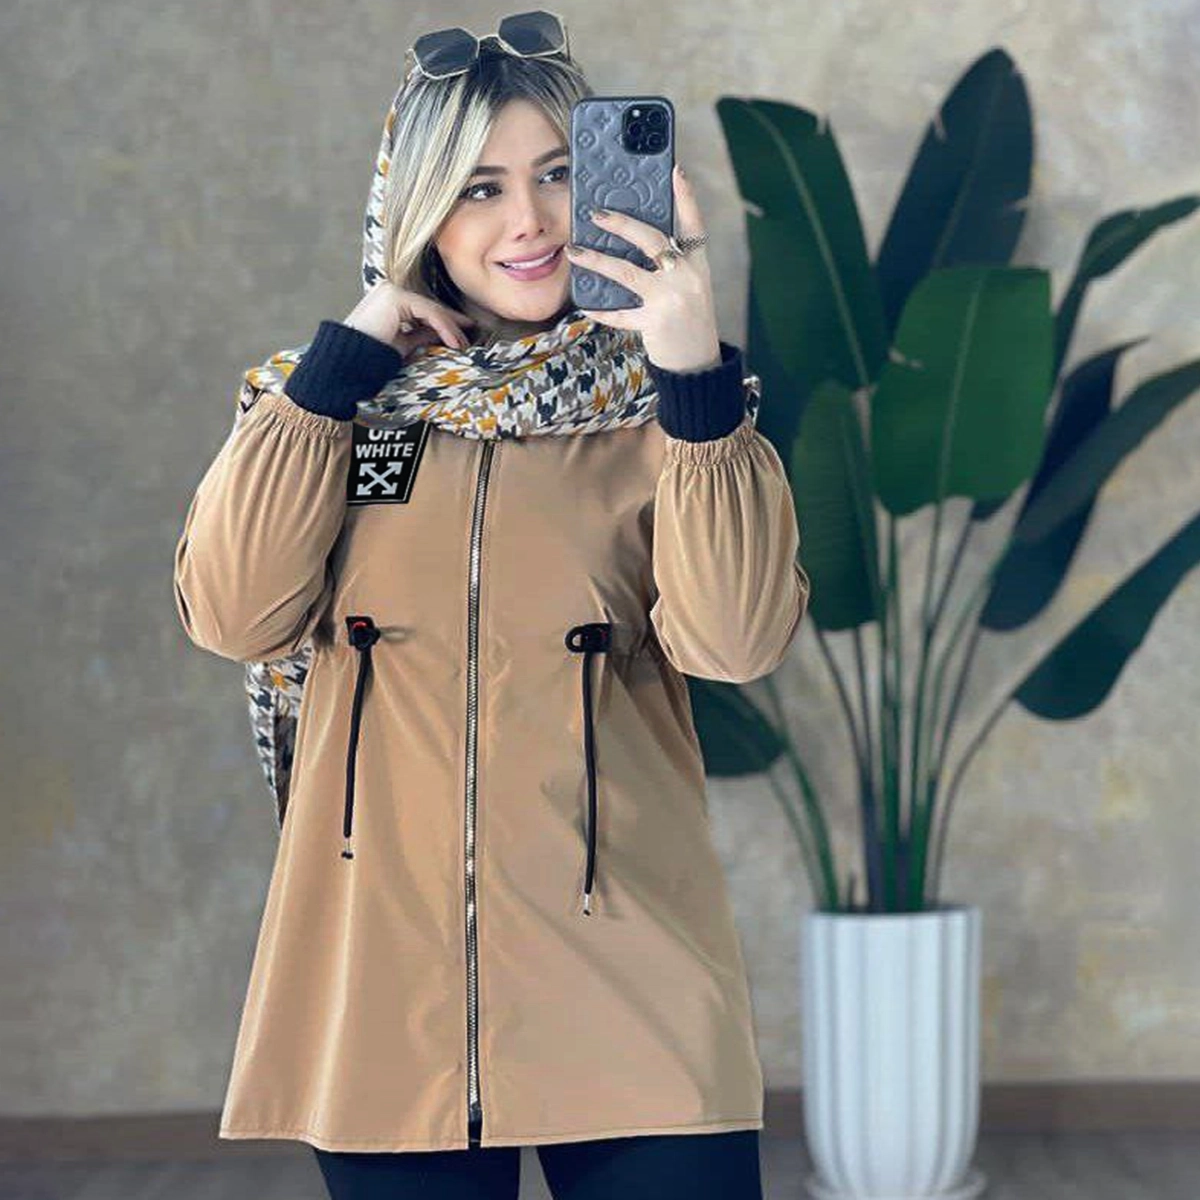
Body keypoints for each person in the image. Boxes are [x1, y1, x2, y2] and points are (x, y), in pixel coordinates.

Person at [172, 11, 810, 1199]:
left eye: (559, 174)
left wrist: (691, 382)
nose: (530, 220)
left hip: (634, 973)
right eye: (479, 187)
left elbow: (735, 642)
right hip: (383, 991)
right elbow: (232, 614)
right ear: (417, 211)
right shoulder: (323, 410)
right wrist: (339, 375)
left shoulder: (671, 419)